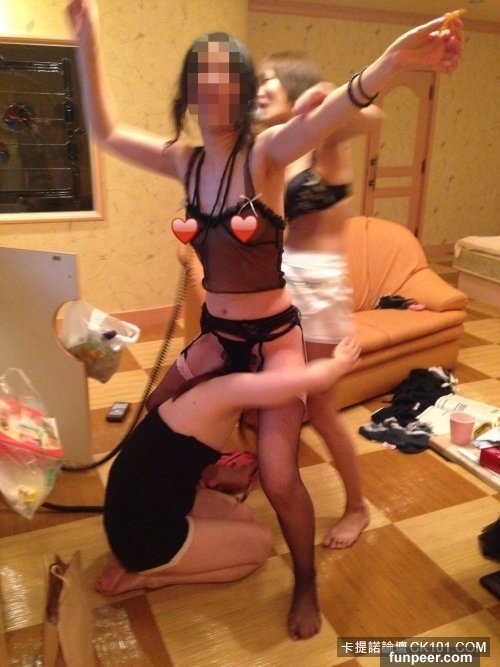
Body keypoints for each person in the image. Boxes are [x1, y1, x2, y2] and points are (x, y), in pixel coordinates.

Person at [67, 0, 463, 640]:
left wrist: (392, 63)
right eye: (201, 77)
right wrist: (87, 41)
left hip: (275, 339)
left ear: (243, 90)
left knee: (280, 478)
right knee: (156, 414)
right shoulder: (185, 161)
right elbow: (107, 132)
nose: (212, 88)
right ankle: (187, 506)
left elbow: (340, 110)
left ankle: (305, 581)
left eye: (226, 77)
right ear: (188, 93)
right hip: (217, 336)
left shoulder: (267, 155)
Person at [96, 337, 361, 600]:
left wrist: (224, 474)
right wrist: (340, 362)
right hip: (145, 539)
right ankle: (152, 577)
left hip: (129, 516)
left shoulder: (202, 385)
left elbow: (176, 461)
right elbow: (310, 380)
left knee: (242, 514)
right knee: (261, 545)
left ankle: (139, 559)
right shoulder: (230, 390)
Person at [254, 52, 381, 549]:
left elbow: (373, 117)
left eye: (266, 81)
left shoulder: (327, 135)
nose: (256, 91)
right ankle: (273, 476)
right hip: (283, 283)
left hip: (322, 289)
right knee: (282, 395)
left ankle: (357, 506)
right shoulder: (277, 147)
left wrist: (328, 98)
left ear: (293, 86)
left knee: (323, 408)